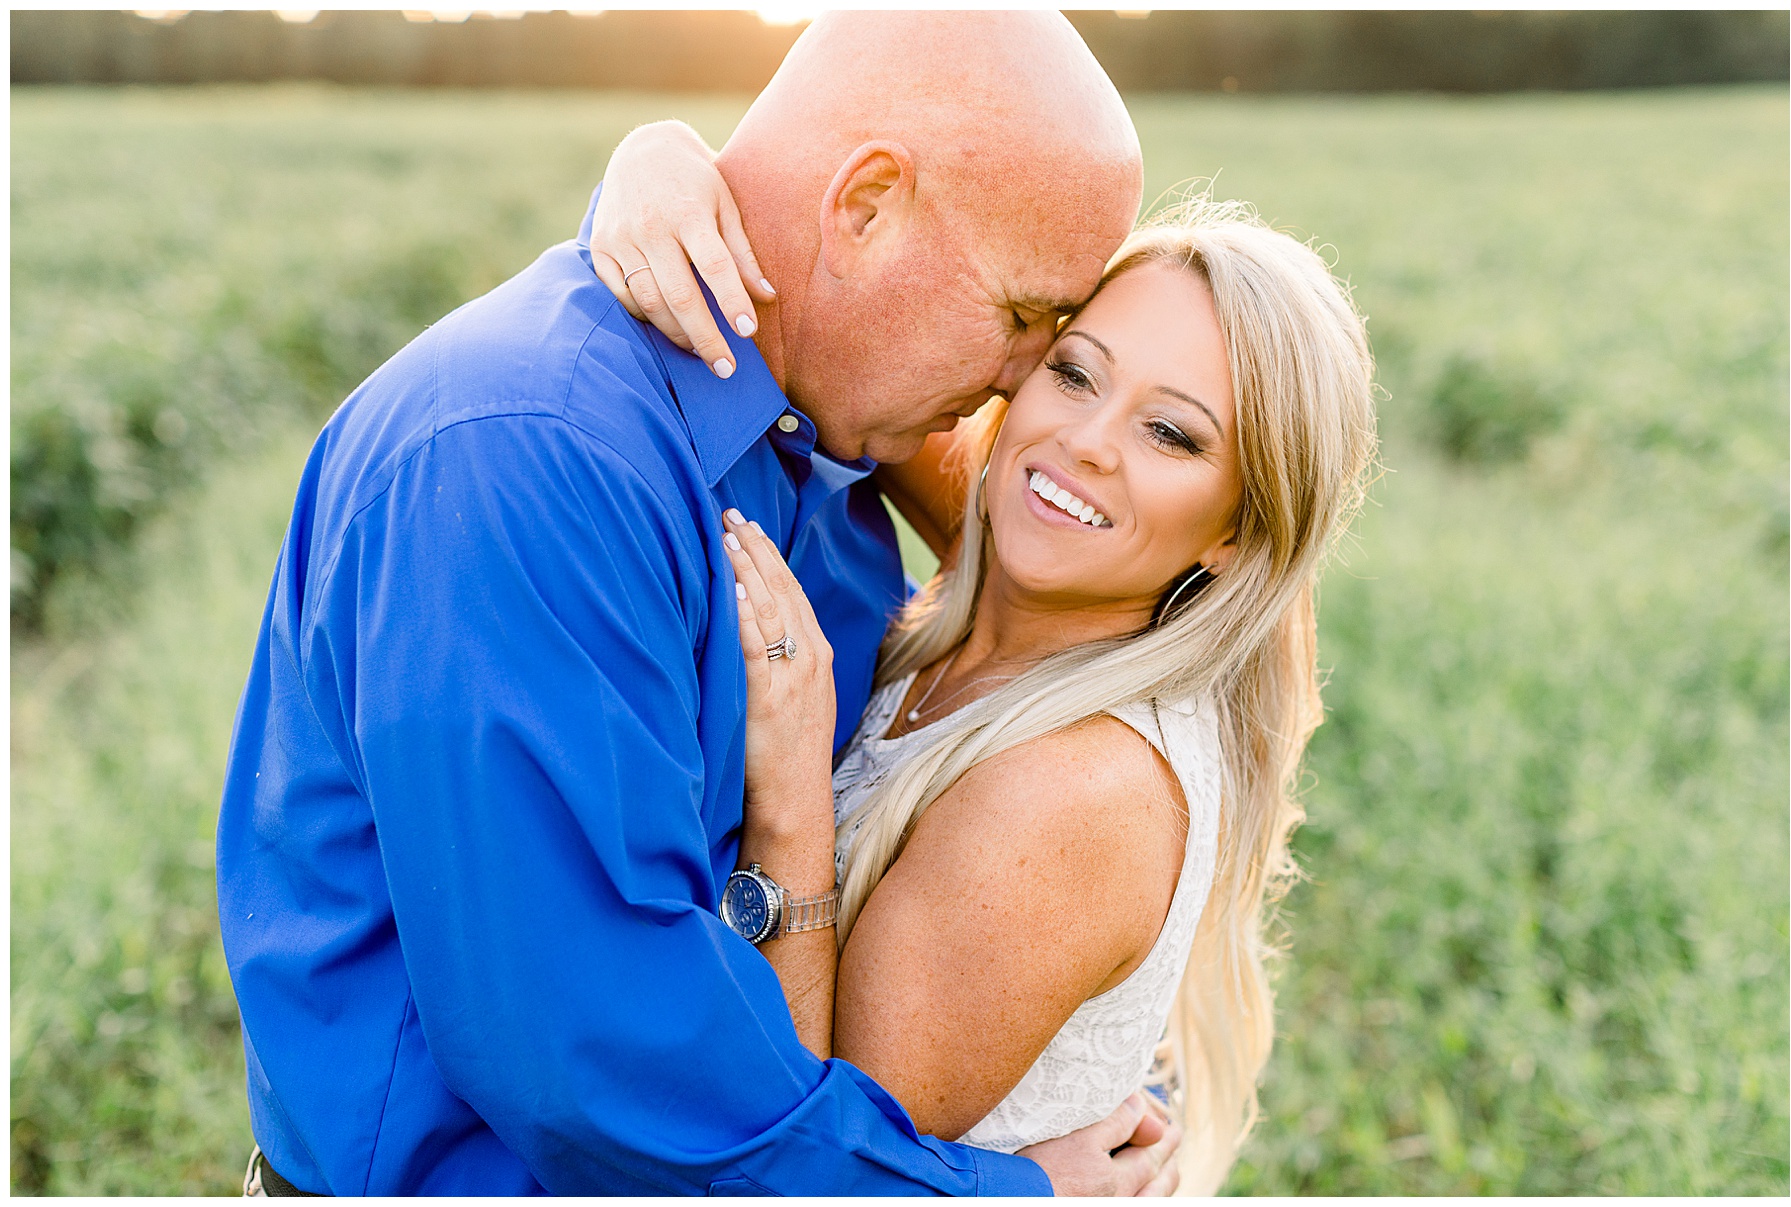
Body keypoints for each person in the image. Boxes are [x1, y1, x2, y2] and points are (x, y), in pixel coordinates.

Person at [215, 11, 1181, 1197]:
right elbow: (596, 1062)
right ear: (866, 206)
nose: (1022, 380)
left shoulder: (827, 432)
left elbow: (1139, 543)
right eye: (1027, 317)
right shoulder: (524, 462)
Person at [587, 137, 1379, 1194]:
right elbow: (836, 329)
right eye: (1074, 369)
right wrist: (664, 162)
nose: (1089, 441)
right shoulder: (1034, 552)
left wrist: (789, 802)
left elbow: (813, 1165)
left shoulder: (1072, 791)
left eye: (1172, 435)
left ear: (1236, 531)